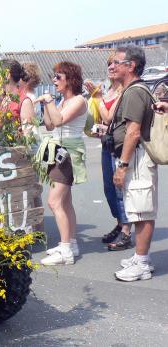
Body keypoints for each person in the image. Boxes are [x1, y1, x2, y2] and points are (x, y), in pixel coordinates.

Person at [110, 46, 157, 282]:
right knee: (137, 208)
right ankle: (140, 257)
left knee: (142, 209)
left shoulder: (135, 91)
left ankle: (142, 261)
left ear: (131, 65)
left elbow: (133, 131)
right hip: (135, 156)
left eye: (117, 62)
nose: (112, 66)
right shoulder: (131, 90)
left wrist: (123, 165)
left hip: (137, 157)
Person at [35, 61, 88, 266]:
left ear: (70, 79)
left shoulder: (78, 100)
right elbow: (49, 125)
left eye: (58, 77)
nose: (54, 80)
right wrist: (46, 105)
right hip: (57, 151)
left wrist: (48, 100)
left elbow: (59, 121)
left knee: (54, 202)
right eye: (53, 76)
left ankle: (65, 250)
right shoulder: (62, 101)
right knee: (65, 202)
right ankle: (71, 243)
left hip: (68, 154)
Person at [85, 57, 132, 251]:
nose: (111, 68)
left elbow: (108, 116)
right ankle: (120, 223)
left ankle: (127, 230)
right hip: (106, 143)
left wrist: (96, 96)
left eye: (115, 64)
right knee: (108, 189)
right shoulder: (108, 90)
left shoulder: (122, 91)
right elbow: (100, 119)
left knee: (120, 189)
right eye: (109, 65)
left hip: (118, 147)